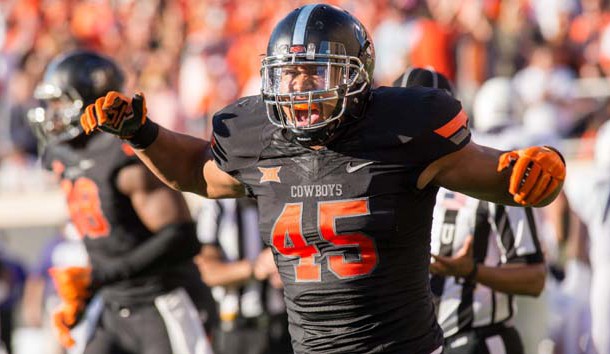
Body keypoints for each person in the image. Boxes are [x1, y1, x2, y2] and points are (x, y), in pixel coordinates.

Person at [79, 4, 566, 353]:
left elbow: (499, 175)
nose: (298, 84)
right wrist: (141, 133)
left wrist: (532, 170)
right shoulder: (256, 135)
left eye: (315, 70)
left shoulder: (403, 129)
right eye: (288, 72)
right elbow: (196, 172)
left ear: (356, 75)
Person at [28, 50, 217, 354]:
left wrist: (102, 275)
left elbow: (181, 238)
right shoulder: (63, 155)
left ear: (90, 99)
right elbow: (109, 237)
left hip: (161, 302)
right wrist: (86, 292)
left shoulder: (124, 157)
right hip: (114, 307)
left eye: (60, 102)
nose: (51, 112)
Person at [398, 67, 547, 354]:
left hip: (481, 340)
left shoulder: (489, 175)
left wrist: (473, 271)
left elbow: (535, 278)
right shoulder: (387, 182)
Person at [195, 197, 292, 354]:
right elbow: (207, 272)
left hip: (282, 326)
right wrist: (256, 268)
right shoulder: (218, 206)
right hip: (235, 331)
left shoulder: (280, 199)